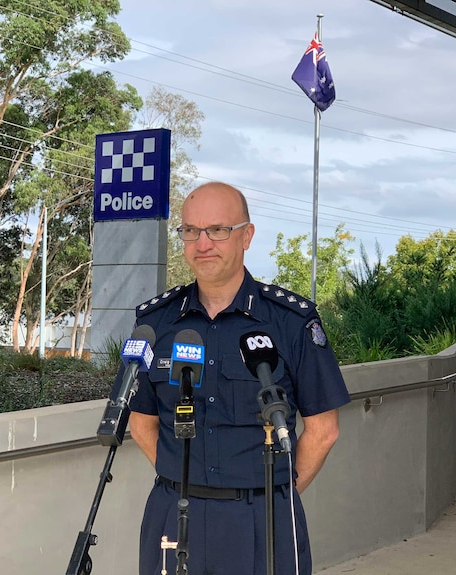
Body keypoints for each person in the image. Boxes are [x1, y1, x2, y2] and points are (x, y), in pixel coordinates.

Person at [123, 181, 350, 575]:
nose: (202, 243)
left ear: (247, 235)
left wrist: (277, 495)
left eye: (218, 230)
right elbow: (141, 424)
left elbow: (324, 430)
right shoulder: (155, 323)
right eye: (191, 231)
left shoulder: (290, 323)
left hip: (262, 516)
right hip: (175, 514)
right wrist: (184, 479)